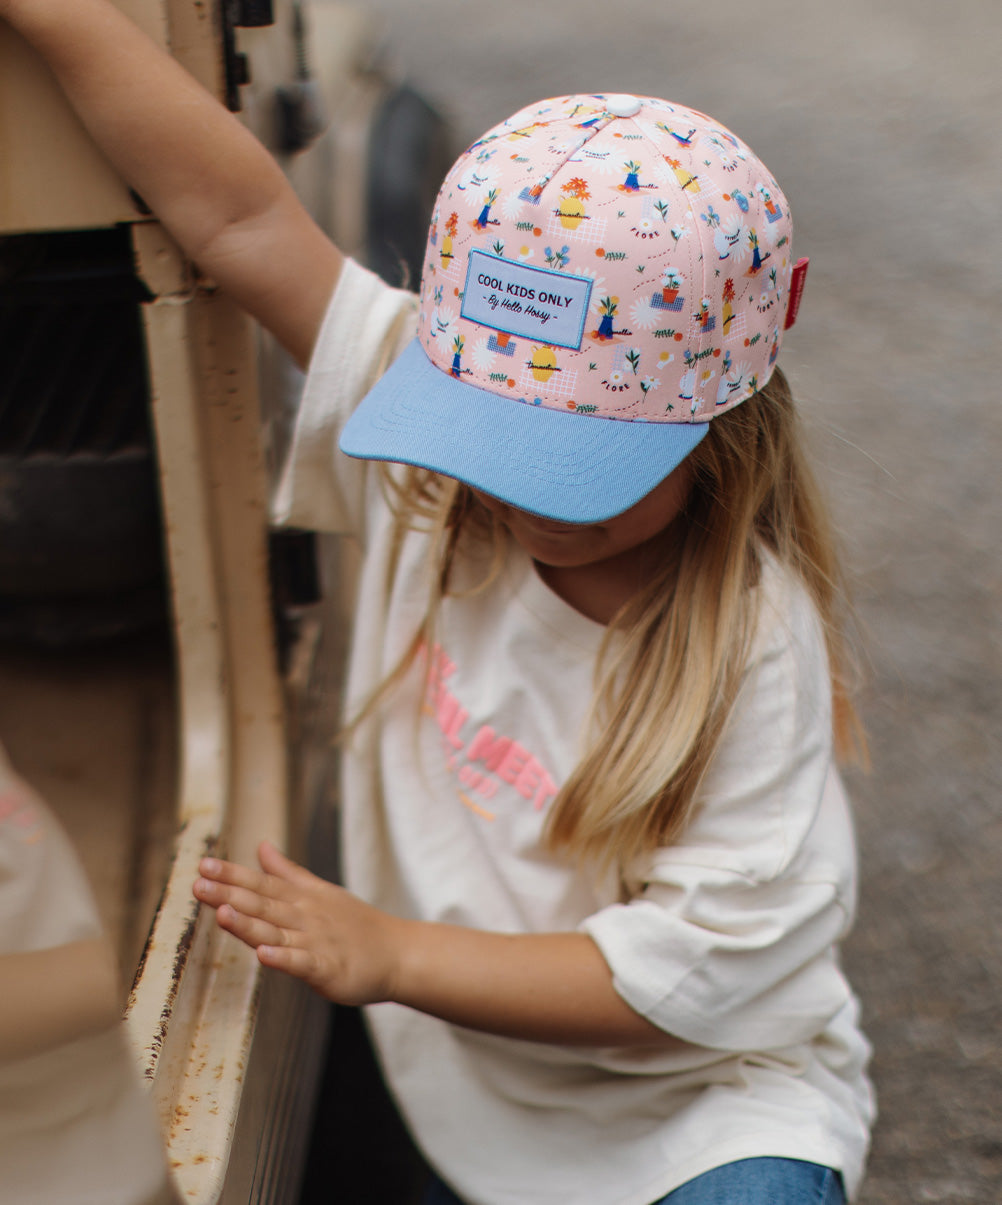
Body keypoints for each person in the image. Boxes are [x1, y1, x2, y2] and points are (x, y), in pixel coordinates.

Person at [1, 3, 875, 1201]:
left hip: (693, 1106)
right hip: (467, 1080)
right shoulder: (436, 482)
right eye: (488, 434)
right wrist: (59, 14)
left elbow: (680, 984)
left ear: (724, 427)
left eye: (574, 455)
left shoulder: (751, 649)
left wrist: (392, 952)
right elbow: (237, 216)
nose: (519, 493)